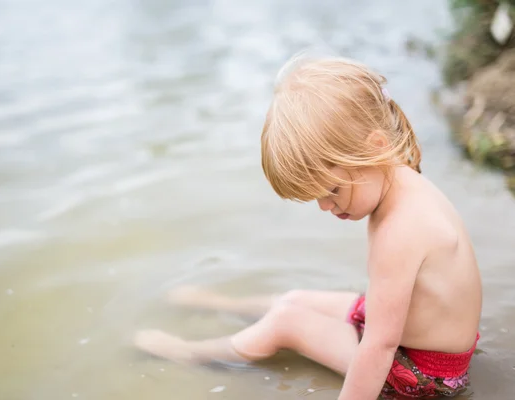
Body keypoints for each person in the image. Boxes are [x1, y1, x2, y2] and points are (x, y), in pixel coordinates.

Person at [133, 55, 483, 399]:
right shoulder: (404, 183)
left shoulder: (398, 230)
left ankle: (193, 353)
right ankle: (225, 305)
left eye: (332, 190)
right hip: (421, 342)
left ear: (375, 147)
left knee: (288, 321)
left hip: (424, 375)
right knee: (294, 300)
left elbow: (378, 347)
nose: (325, 206)